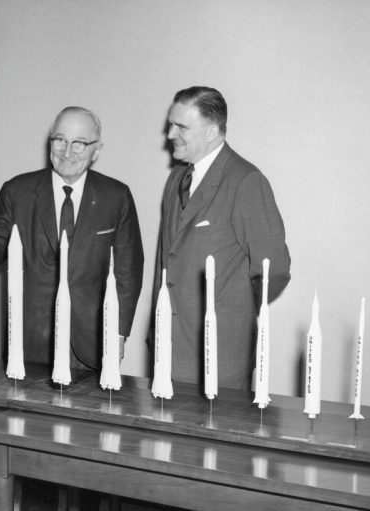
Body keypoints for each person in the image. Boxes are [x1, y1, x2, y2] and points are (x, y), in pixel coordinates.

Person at [0, 106, 144, 372]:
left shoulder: (116, 197)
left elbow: (128, 273)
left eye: (79, 143)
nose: (67, 151)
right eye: (60, 140)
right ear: (50, 142)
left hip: (93, 346)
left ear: (96, 150)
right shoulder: (17, 192)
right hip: (29, 346)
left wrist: (118, 334)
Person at [150, 86, 291, 390]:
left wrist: (235, 308)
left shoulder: (246, 181)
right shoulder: (177, 177)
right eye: (171, 124)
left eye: (181, 126)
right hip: (168, 350)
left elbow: (274, 270)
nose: (170, 133)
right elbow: (167, 262)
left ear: (212, 131)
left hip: (221, 357)